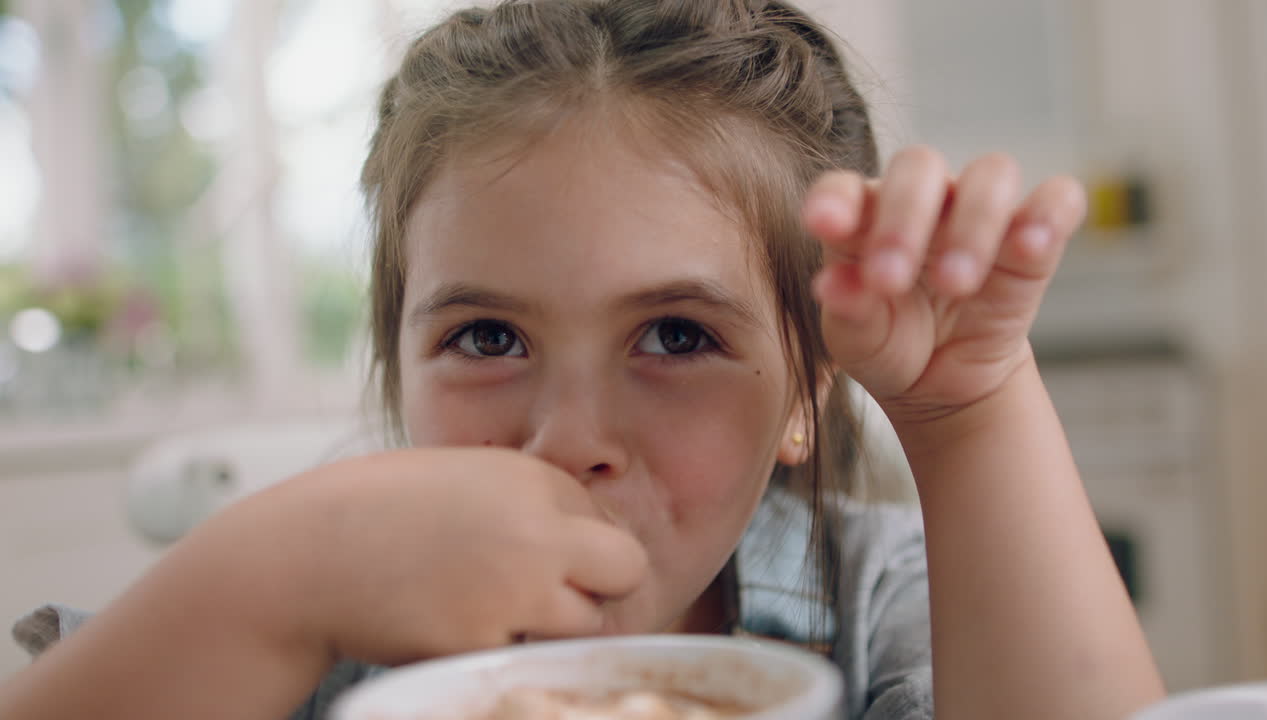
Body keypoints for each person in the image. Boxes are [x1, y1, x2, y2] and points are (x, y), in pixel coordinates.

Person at [0, 1, 1166, 718]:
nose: (566, 444)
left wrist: (966, 413)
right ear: (398, 360)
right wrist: (271, 588)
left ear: (806, 390)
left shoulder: (877, 606)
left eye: (675, 337)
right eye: (487, 338)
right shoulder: (305, 632)